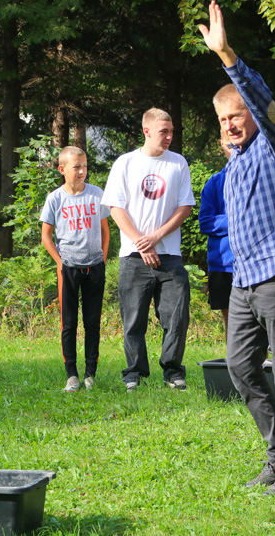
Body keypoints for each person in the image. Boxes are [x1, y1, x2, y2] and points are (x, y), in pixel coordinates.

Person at [199, 0, 275, 496]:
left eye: (237, 114)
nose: (230, 123)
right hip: (244, 281)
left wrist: (227, 57)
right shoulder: (235, 165)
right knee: (243, 369)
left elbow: (263, 100)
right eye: (223, 118)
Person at [101, 108, 195, 391]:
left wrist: (155, 237)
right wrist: (141, 243)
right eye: (163, 131)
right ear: (146, 131)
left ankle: (173, 372)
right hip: (133, 256)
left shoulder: (178, 163)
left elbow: (185, 207)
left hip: (169, 255)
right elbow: (115, 207)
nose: (168, 137)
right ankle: (134, 374)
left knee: (176, 317)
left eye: (171, 132)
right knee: (133, 319)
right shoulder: (125, 163)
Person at [40, 146, 110, 392]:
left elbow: (105, 230)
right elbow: (46, 236)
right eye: (76, 167)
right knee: (68, 323)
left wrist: (102, 256)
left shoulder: (97, 194)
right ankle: (72, 374)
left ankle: (91, 373)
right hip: (68, 268)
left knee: (92, 322)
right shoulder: (55, 199)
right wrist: (60, 263)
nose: (82, 172)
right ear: (62, 170)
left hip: (94, 268)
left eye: (85, 166)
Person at [198, 132, 234, 332]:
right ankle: (233, 363)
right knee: (231, 321)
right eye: (230, 146)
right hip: (223, 264)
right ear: (221, 144)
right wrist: (238, 221)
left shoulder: (259, 180)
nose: (235, 151)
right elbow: (206, 222)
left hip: (254, 264)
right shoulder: (214, 183)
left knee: (257, 321)